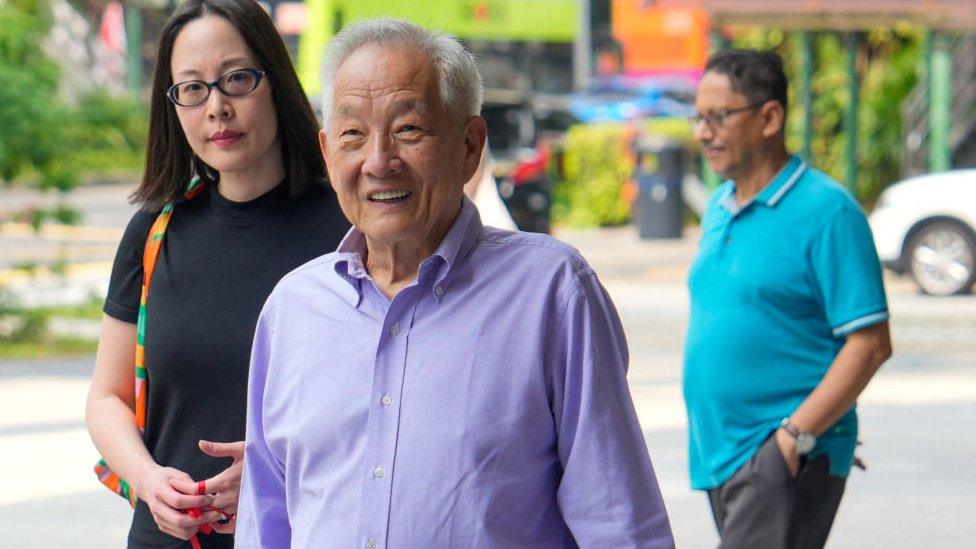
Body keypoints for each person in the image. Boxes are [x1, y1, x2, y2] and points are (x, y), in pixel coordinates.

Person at [235, 19, 674, 548]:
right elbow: (265, 525)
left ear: (470, 145)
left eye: (409, 130)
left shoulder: (552, 293)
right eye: (353, 134)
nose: (379, 161)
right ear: (327, 152)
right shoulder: (293, 309)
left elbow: (618, 523)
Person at [85, 1, 349, 546]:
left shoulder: (350, 230)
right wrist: (148, 481)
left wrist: (277, 467)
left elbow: (389, 399)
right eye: (193, 88)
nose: (217, 108)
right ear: (174, 106)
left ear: (274, 82)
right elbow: (106, 397)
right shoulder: (155, 233)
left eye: (236, 80)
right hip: (168, 537)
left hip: (305, 530)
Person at [683, 49, 892, 548]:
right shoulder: (720, 204)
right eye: (698, 117)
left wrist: (792, 439)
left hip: (779, 451)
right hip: (723, 452)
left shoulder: (828, 212)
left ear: (770, 117)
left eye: (718, 117)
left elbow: (870, 344)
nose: (702, 132)